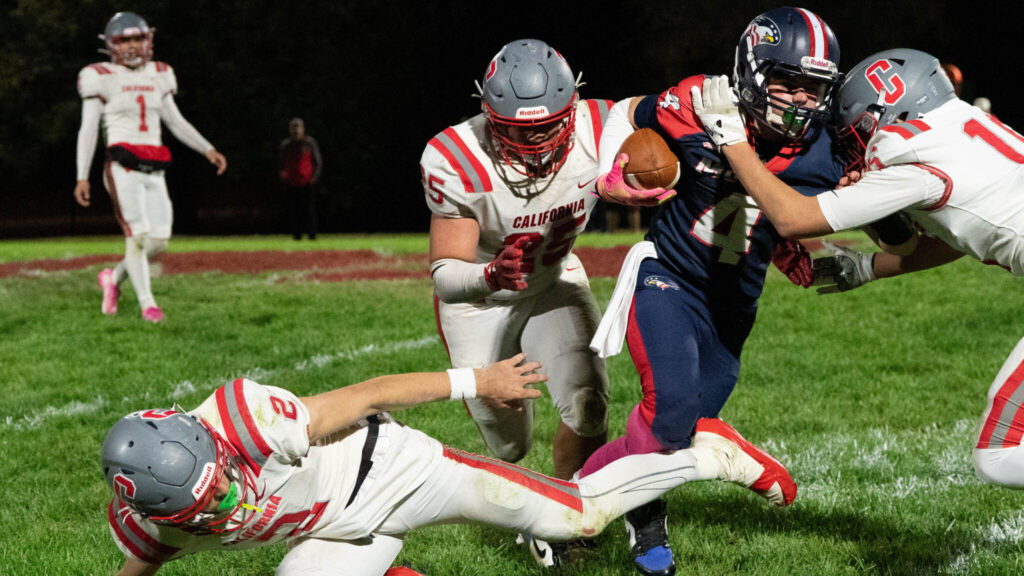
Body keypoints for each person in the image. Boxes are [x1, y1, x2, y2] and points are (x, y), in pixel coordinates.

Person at [582, 8, 862, 575]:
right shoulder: (698, 103)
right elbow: (623, 112)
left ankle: (598, 502)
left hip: (734, 304)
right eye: (787, 83)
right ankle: (611, 508)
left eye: (814, 89)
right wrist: (611, 173)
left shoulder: (825, 150)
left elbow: (792, 217)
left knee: (674, 437)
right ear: (752, 72)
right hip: (669, 276)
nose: (800, 101)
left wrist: (824, 254)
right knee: (673, 412)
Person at [100, 354, 795, 575]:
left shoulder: (249, 420)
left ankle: (707, 452)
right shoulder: (156, 526)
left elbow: (372, 394)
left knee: (578, 520)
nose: (226, 499)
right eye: (207, 506)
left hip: (391, 471)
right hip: (335, 531)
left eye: (220, 479)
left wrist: (475, 381)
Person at [692, 49, 1024, 493]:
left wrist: (731, 140)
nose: (850, 148)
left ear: (875, 117)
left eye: (850, 135)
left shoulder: (906, 154)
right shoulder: (962, 123)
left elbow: (792, 218)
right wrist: (870, 267)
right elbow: (964, 236)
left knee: (998, 455)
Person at [419, 39, 614, 565]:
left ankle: (557, 521)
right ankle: (530, 498)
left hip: (552, 281)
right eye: (518, 131)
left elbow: (668, 113)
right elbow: (444, 275)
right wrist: (490, 272)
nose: (536, 144)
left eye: (549, 126)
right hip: (480, 299)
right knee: (510, 446)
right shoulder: (456, 156)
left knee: (590, 404)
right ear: (488, 114)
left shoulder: (602, 128)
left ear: (573, 107)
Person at [74, 12, 227, 323]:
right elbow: (88, 129)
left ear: (148, 40)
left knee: (159, 241)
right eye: (124, 39)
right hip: (122, 164)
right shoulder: (99, 75)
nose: (132, 45)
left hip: (154, 165)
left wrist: (207, 148)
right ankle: (149, 306)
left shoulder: (159, 73)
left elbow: (175, 121)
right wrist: (82, 175)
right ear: (111, 44)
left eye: (137, 38)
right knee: (138, 235)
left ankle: (113, 279)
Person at [279, 118, 322, 240]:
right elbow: (281, 163)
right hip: (292, 182)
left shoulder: (309, 143)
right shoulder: (286, 145)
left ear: (303, 129)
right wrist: (284, 176)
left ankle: (312, 234)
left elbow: (317, 161)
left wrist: (314, 177)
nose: (296, 130)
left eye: (298, 127)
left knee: (309, 210)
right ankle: (296, 235)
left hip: (307, 182)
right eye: (293, 127)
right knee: (294, 210)